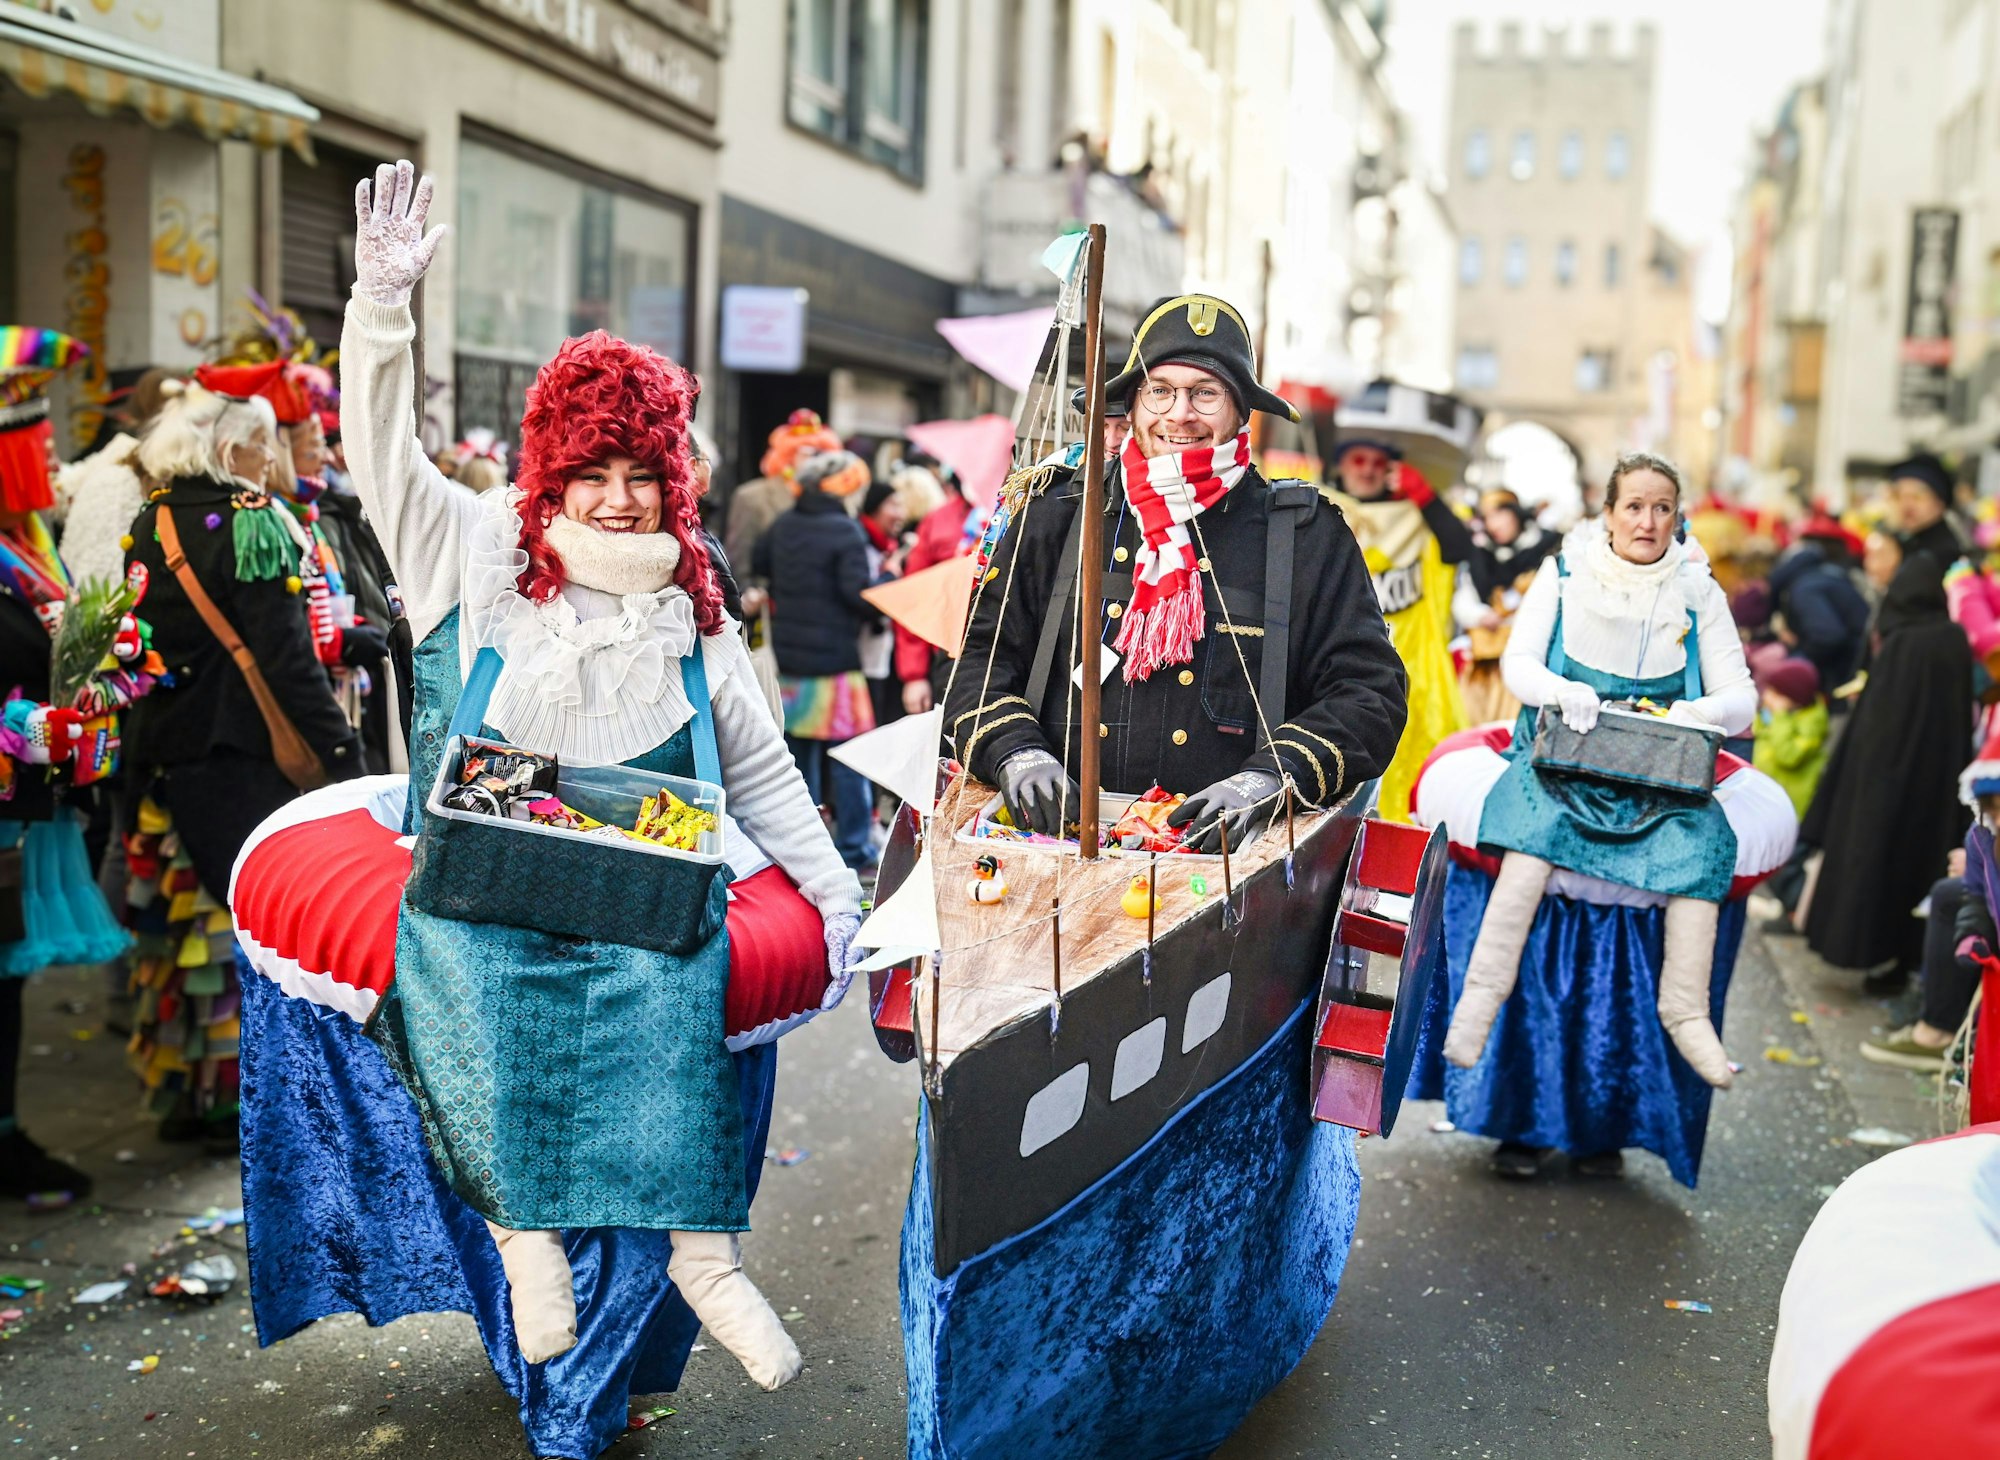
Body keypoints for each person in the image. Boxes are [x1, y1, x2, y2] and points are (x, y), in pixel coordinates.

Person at [323, 163, 862, 1429]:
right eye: (593, 473)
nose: (617, 499)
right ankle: (524, 1245)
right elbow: (378, 452)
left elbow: (761, 766)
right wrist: (382, 310)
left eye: (640, 474)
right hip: (492, 879)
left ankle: (705, 1258)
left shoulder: (693, 605)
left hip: (642, 887)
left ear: (672, 480)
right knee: (460, 990)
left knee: (679, 1001)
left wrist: (835, 895)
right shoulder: (474, 550)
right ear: (552, 475)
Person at [949, 291, 1406, 854]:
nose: (1180, 413)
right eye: (1159, 390)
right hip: (1054, 850)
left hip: (1227, 863)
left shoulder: (1307, 534)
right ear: (1134, 404)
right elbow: (979, 665)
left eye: (1206, 393)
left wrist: (1269, 780)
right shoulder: (1057, 514)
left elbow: (1369, 695)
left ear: (1242, 410)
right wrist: (1016, 751)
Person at [1439, 453, 1758, 1175]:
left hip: (1658, 778)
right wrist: (1561, 691)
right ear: (1608, 513)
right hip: (1562, 763)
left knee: (1702, 847)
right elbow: (1520, 664)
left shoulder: (1697, 591)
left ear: (1677, 516)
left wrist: (1700, 711)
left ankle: (1686, 1012)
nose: (1647, 521)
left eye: (1662, 508)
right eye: (1633, 506)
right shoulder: (1563, 574)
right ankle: (1479, 1007)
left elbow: (1741, 694)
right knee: (1532, 843)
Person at [121, 379, 365, 1139]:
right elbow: (287, 660)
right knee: (253, 930)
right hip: (243, 757)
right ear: (232, 450)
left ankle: (192, 1099)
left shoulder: (152, 517)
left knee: (185, 932)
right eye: (264, 444)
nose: (273, 458)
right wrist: (343, 754)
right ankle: (251, 1105)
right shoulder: (252, 521)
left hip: (167, 756)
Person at [0, 326, 138, 1199]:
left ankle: (5, 1131)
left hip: (26, 803)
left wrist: (110, 670)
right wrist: (20, 725)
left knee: (4, 984)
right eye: (35, 442)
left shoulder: (27, 542)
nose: (52, 457)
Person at [1804, 555, 1975, 989]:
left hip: (1886, 779)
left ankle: (1877, 955)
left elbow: (1881, 726)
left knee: (1880, 863)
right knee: (1923, 865)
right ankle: (1910, 963)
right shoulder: (1954, 639)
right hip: (1940, 778)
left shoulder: (1901, 643)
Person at [1318, 395, 1475, 821]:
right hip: (1339, 669)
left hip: (1414, 676)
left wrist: (1425, 498)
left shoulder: (1416, 516)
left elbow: (1460, 548)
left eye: (1378, 462)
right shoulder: (1320, 512)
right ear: (1341, 465)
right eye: (1358, 460)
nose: (1368, 470)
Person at [753, 449, 881, 870]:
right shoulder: (846, 530)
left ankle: (802, 852)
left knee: (797, 763)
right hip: (836, 663)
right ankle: (856, 849)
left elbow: (759, 564)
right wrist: (886, 588)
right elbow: (856, 593)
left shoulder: (781, 525)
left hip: (790, 661)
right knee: (850, 758)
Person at [1454, 488, 1556, 724]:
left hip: (1533, 661)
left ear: (1516, 514)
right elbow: (1463, 599)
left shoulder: (1547, 550)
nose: (1494, 524)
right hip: (1488, 667)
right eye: (1487, 517)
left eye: (1499, 514)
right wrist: (1481, 615)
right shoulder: (1481, 556)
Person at [725, 408, 841, 584]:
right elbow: (739, 561)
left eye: (822, 455)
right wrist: (748, 592)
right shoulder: (751, 497)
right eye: (810, 454)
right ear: (788, 455)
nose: (818, 464)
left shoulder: (830, 500)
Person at [1769, 535, 1871, 699]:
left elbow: (1827, 636)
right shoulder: (1824, 574)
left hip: (1847, 673)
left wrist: (1797, 658)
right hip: (1861, 663)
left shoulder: (1804, 589)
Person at [858, 479, 908, 731]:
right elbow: (865, 598)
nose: (900, 514)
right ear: (874, 507)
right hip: (861, 658)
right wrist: (889, 574)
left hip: (880, 657)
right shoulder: (859, 544)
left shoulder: (886, 546)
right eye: (893, 505)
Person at [1753, 657, 1830, 821]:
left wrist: (1780, 717)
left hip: (1787, 803)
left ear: (1793, 699)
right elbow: (1758, 731)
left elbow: (1788, 756)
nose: (1766, 696)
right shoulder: (1778, 715)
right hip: (1765, 794)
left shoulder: (1812, 724)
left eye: (1774, 693)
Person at [1887, 453, 1969, 580]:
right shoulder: (1901, 543)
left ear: (1939, 503)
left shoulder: (1943, 554)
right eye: (1899, 496)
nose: (1906, 505)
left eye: (1917, 497)